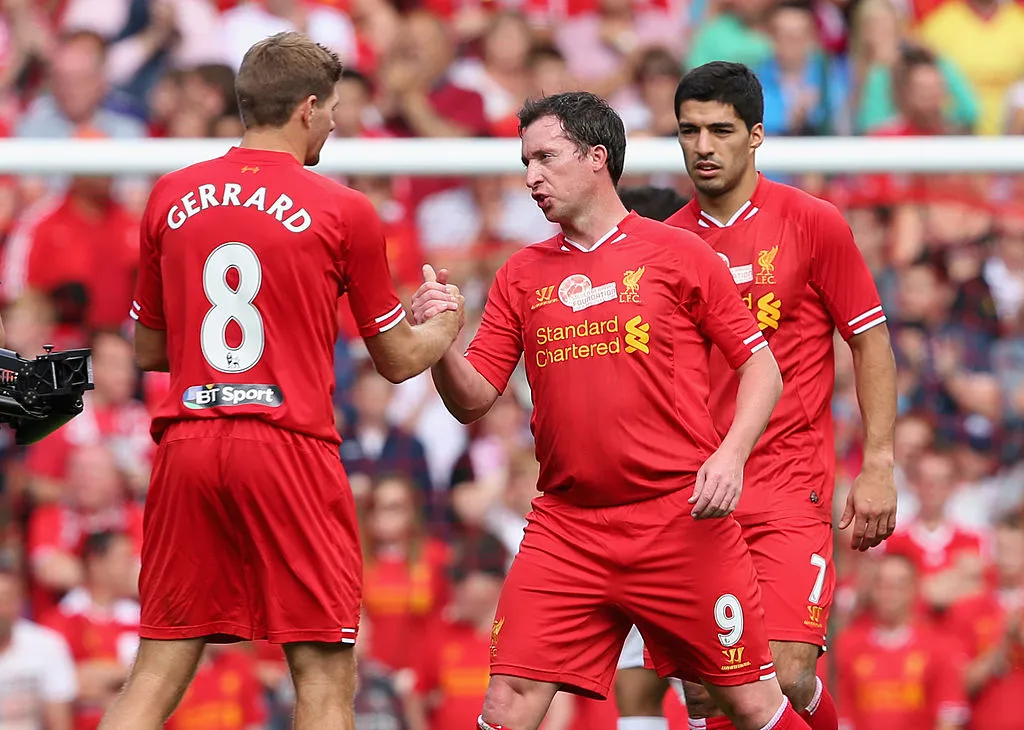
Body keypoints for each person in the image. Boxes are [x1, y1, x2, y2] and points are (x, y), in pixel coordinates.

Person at [412, 91, 815, 730]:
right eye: (525, 161)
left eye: (545, 157)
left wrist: (731, 454)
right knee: (506, 704)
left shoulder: (680, 254)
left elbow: (761, 367)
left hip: (677, 520)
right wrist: (437, 343)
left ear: (596, 157)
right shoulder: (520, 274)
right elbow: (473, 399)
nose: (530, 178)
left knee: (748, 701)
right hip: (566, 528)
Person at [100, 32, 464, 730]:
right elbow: (394, 360)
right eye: (331, 108)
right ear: (306, 108)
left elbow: (148, 348)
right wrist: (443, 323)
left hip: (189, 442)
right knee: (324, 674)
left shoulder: (169, 197)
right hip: (288, 443)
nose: (334, 120)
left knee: (156, 669)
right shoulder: (343, 209)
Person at [624, 61, 899, 730]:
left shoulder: (813, 223)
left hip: (786, 484)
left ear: (756, 136)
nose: (703, 146)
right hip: (693, 497)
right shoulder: (662, 245)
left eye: (721, 130)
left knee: (785, 670)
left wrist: (882, 463)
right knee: (707, 695)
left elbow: (870, 340)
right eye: (689, 131)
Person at [611, 185, 690, 730]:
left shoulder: (701, 318)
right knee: (636, 682)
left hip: (697, 518)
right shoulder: (607, 318)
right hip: (625, 521)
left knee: (714, 686)